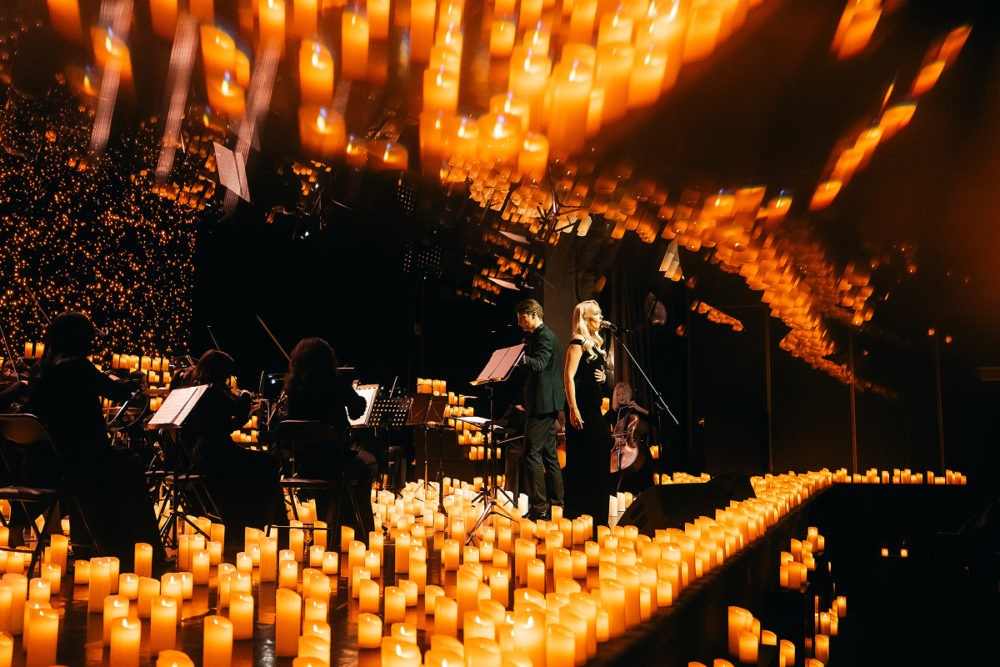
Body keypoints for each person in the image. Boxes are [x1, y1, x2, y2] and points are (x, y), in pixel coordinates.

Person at [22, 311, 166, 568]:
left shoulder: (38, 372)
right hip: (82, 460)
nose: (91, 343)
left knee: (121, 461)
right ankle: (136, 549)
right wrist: (135, 381)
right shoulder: (77, 365)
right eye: (89, 338)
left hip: (46, 461)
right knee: (130, 463)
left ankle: (88, 541)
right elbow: (120, 392)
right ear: (79, 339)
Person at [183, 349, 281, 540]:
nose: (227, 379)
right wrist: (245, 395)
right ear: (219, 372)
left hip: (201, 455)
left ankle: (249, 518)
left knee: (258, 461)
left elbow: (226, 425)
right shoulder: (212, 392)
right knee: (269, 461)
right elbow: (237, 408)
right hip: (218, 456)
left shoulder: (196, 390)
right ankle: (264, 520)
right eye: (226, 373)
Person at [281, 337, 375, 535]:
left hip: (304, 464)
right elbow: (357, 411)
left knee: (347, 468)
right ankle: (359, 528)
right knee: (368, 464)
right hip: (335, 463)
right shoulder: (335, 382)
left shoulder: (293, 387)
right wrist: (354, 397)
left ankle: (332, 525)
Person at [563, 300, 613, 527]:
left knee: (598, 460)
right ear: (584, 318)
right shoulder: (577, 342)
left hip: (593, 409)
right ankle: (580, 515)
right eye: (596, 314)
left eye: (601, 313)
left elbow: (590, 374)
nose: (601, 317)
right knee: (585, 461)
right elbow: (568, 377)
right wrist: (573, 408)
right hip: (581, 409)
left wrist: (603, 378)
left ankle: (597, 516)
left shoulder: (595, 345)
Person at [515, 298, 565, 521]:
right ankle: (556, 505)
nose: (519, 323)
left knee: (531, 454)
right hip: (545, 403)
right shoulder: (539, 336)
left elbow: (540, 364)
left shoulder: (544, 336)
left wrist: (520, 357)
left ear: (533, 314)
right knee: (549, 456)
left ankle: (541, 507)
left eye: (522, 318)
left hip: (542, 404)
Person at [606, 381, 655, 495]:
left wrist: (639, 408)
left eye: (623, 394)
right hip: (619, 449)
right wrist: (613, 437)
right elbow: (602, 426)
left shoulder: (634, 409)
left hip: (636, 449)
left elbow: (653, 420)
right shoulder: (613, 412)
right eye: (618, 395)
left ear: (628, 394)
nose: (621, 397)